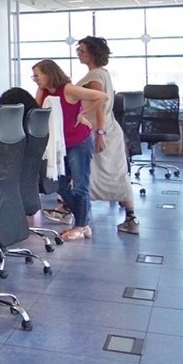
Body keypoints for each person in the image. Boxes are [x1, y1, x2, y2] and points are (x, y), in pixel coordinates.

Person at [32, 59, 107, 241]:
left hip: (78, 141)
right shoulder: (42, 92)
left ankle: (80, 226)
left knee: (80, 184)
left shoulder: (68, 89)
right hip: (60, 144)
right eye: (33, 76)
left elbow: (102, 97)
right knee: (60, 186)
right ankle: (84, 223)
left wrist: (83, 113)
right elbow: (36, 112)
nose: (35, 79)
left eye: (37, 75)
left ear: (49, 74)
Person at [76, 36, 139, 234]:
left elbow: (100, 105)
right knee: (113, 174)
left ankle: (71, 211)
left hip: (103, 132)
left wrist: (100, 133)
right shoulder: (101, 73)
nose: (78, 53)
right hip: (108, 130)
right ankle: (131, 218)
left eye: (82, 50)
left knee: (105, 174)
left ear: (93, 54)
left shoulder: (95, 77)